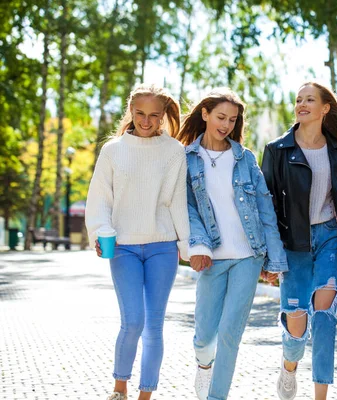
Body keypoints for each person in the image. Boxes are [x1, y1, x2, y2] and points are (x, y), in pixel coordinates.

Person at [175, 88, 288, 400]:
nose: (225, 124)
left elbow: (265, 209)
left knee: (229, 334)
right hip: (211, 256)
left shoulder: (245, 158)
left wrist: (273, 260)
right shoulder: (185, 159)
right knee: (205, 335)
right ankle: (203, 364)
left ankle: (216, 396)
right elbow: (186, 208)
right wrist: (198, 247)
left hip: (247, 256)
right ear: (205, 114)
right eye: (220, 117)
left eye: (232, 119)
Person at [85, 84, 190, 400]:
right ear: (131, 112)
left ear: (162, 116)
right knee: (133, 321)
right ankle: (120, 388)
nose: (146, 121)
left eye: (153, 115)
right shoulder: (113, 150)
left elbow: (177, 201)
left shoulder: (174, 151)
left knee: (154, 327)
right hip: (123, 247)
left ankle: (146, 394)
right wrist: (100, 231)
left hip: (162, 246)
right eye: (140, 113)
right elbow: (100, 197)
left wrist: (187, 245)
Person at [261, 82, 337, 400]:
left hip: (330, 238)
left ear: (325, 108)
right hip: (293, 244)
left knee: (325, 317)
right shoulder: (278, 150)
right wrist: (269, 256)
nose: (301, 104)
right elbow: (267, 205)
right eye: (298, 99)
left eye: (309, 99)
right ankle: (289, 367)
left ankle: (320, 395)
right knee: (297, 327)